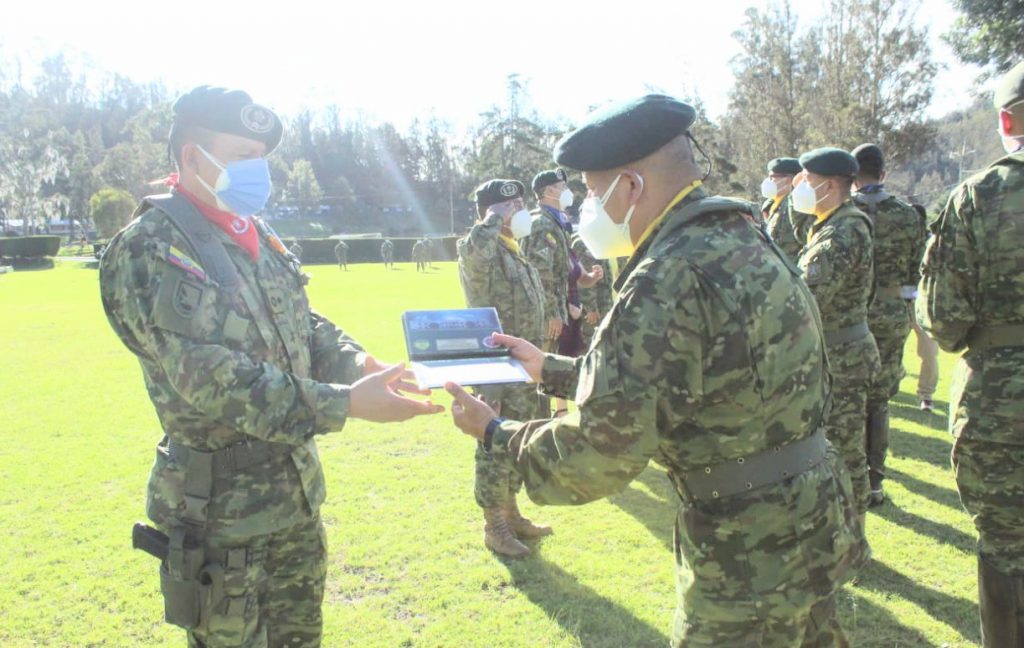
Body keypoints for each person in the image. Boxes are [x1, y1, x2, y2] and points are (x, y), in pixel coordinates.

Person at [448, 95, 866, 646]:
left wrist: (497, 434)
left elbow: (599, 452)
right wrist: (548, 367)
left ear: (631, 187)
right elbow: (695, 378)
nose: (586, 210)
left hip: (746, 554)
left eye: (594, 193)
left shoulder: (666, 274)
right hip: (810, 520)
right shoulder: (742, 236)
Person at [98, 85, 442, 647]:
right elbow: (208, 377)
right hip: (219, 517)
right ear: (191, 157)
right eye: (241, 156)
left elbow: (301, 322)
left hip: (293, 500)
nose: (257, 170)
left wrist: (357, 363)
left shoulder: (253, 232)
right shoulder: (151, 247)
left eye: (261, 157)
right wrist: (346, 403)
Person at [917, 61, 1024, 648]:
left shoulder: (977, 199)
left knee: (1006, 545)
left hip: (1003, 406)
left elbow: (946, 322)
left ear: (1007, 120)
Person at [457, 178, 553, 558]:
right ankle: (494, 525)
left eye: (520, 206)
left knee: (515, 438)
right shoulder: (478, 247)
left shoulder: (514, 250)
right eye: (511, 207)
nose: (520, 212)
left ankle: (511, 514)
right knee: (492, 440)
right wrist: (493, 219)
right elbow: (475, 251)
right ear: (492, 212)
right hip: (493, 366)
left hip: (522, 366)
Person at [792, 148, 881, 518]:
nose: (800, 187)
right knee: (833, 449)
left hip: (843, 358)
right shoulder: (833, 223)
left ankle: (854, 537)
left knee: (845, 451)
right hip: (838, 354)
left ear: (828, 185)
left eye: (806, 181)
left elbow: (805, 298)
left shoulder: (842, 232)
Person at [851, 143, 927, 507]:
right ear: (883, 174)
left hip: (853, 313)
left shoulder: (845, 213)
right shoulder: (908, 215)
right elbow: (916, 269)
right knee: (879, 401)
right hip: (893, 311)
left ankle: (847, 478)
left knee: (847, 398)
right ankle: (875, 480)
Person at [527, 169, 604, 416]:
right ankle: (543, 419)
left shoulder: (557, 222)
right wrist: (552, 311)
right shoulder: (540, 223)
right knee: (543, 363)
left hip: (562, 307)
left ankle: (558, 413)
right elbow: (541, 273)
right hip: (548, 312)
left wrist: (587, 279)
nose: (567, 191)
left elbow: (566, 264)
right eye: (562, 186)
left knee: (558, 359)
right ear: (549, 191)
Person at [909, 204, 939, 411]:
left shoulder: (932, 243)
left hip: (922, 304)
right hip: (897, 302)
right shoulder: (898, 240)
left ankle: (926, 395)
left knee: (928, 352)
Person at [759, 157, 803, 262]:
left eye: (772, 177)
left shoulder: (796, 206)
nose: (768, 181)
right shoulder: (771, 204)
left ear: (787, 180)